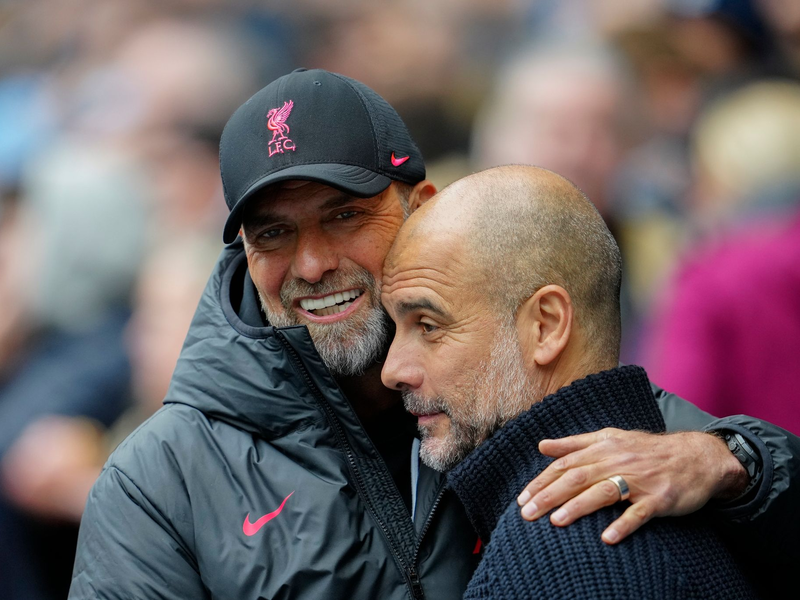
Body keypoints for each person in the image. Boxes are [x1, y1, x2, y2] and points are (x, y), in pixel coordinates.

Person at [70, 68, 800, 599]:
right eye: (273, 234)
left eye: (344, 216)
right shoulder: (159, 481)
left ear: (422, 204)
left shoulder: (514, 372)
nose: (313, 264)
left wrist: (732, 463)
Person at [380, 165, 756, 599]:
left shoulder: (564, 554)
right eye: (396, 328)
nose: (392, 370)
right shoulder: (649, 517)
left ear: (546, 325)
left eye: (427, 325)